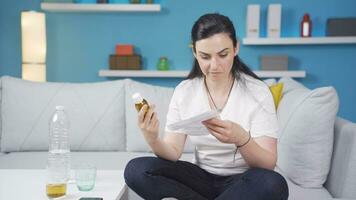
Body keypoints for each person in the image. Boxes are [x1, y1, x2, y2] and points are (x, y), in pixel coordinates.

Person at [124, 13, 289, 200]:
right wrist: (152, 138)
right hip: (200, 179)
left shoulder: (257, 92)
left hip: (243, 182)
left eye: (223, 54)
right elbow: (172, 152)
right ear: (194, 52)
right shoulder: (185, 91)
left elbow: (268, 164)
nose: (214, 65)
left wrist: (242, 139)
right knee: (136, 170)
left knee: (273, 184)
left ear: (236, 48)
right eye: (205, 56)